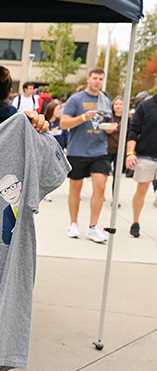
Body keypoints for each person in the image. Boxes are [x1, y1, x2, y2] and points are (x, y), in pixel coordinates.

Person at [60, 67, 114, 243]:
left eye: (100, 79)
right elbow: (63, 123)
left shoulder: (105, 101)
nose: (97, 81)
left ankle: (93, 227)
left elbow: (106, 123)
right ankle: (73, 223)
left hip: (99, 150)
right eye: (95, 78)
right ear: (88, 79)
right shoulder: (76, 99)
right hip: (78, 150)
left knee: (100, 187)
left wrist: (111, 127)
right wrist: (83, 117)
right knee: (75, 189)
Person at [125, 90, 157, 238]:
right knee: (142, 190)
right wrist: (130, 153)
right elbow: (134, 131)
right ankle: (135, 222)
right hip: (146, 155)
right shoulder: (145, 106)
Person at [107, 96, 124, 198]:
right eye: (116, 104)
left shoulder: (128, 119)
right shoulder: (109, 118)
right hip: (108, 149)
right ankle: (100, 194)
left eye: (121, 104)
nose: (118, 106)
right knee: (103, 174)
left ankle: (115, 197)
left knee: (117, 176)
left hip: (120, 151)